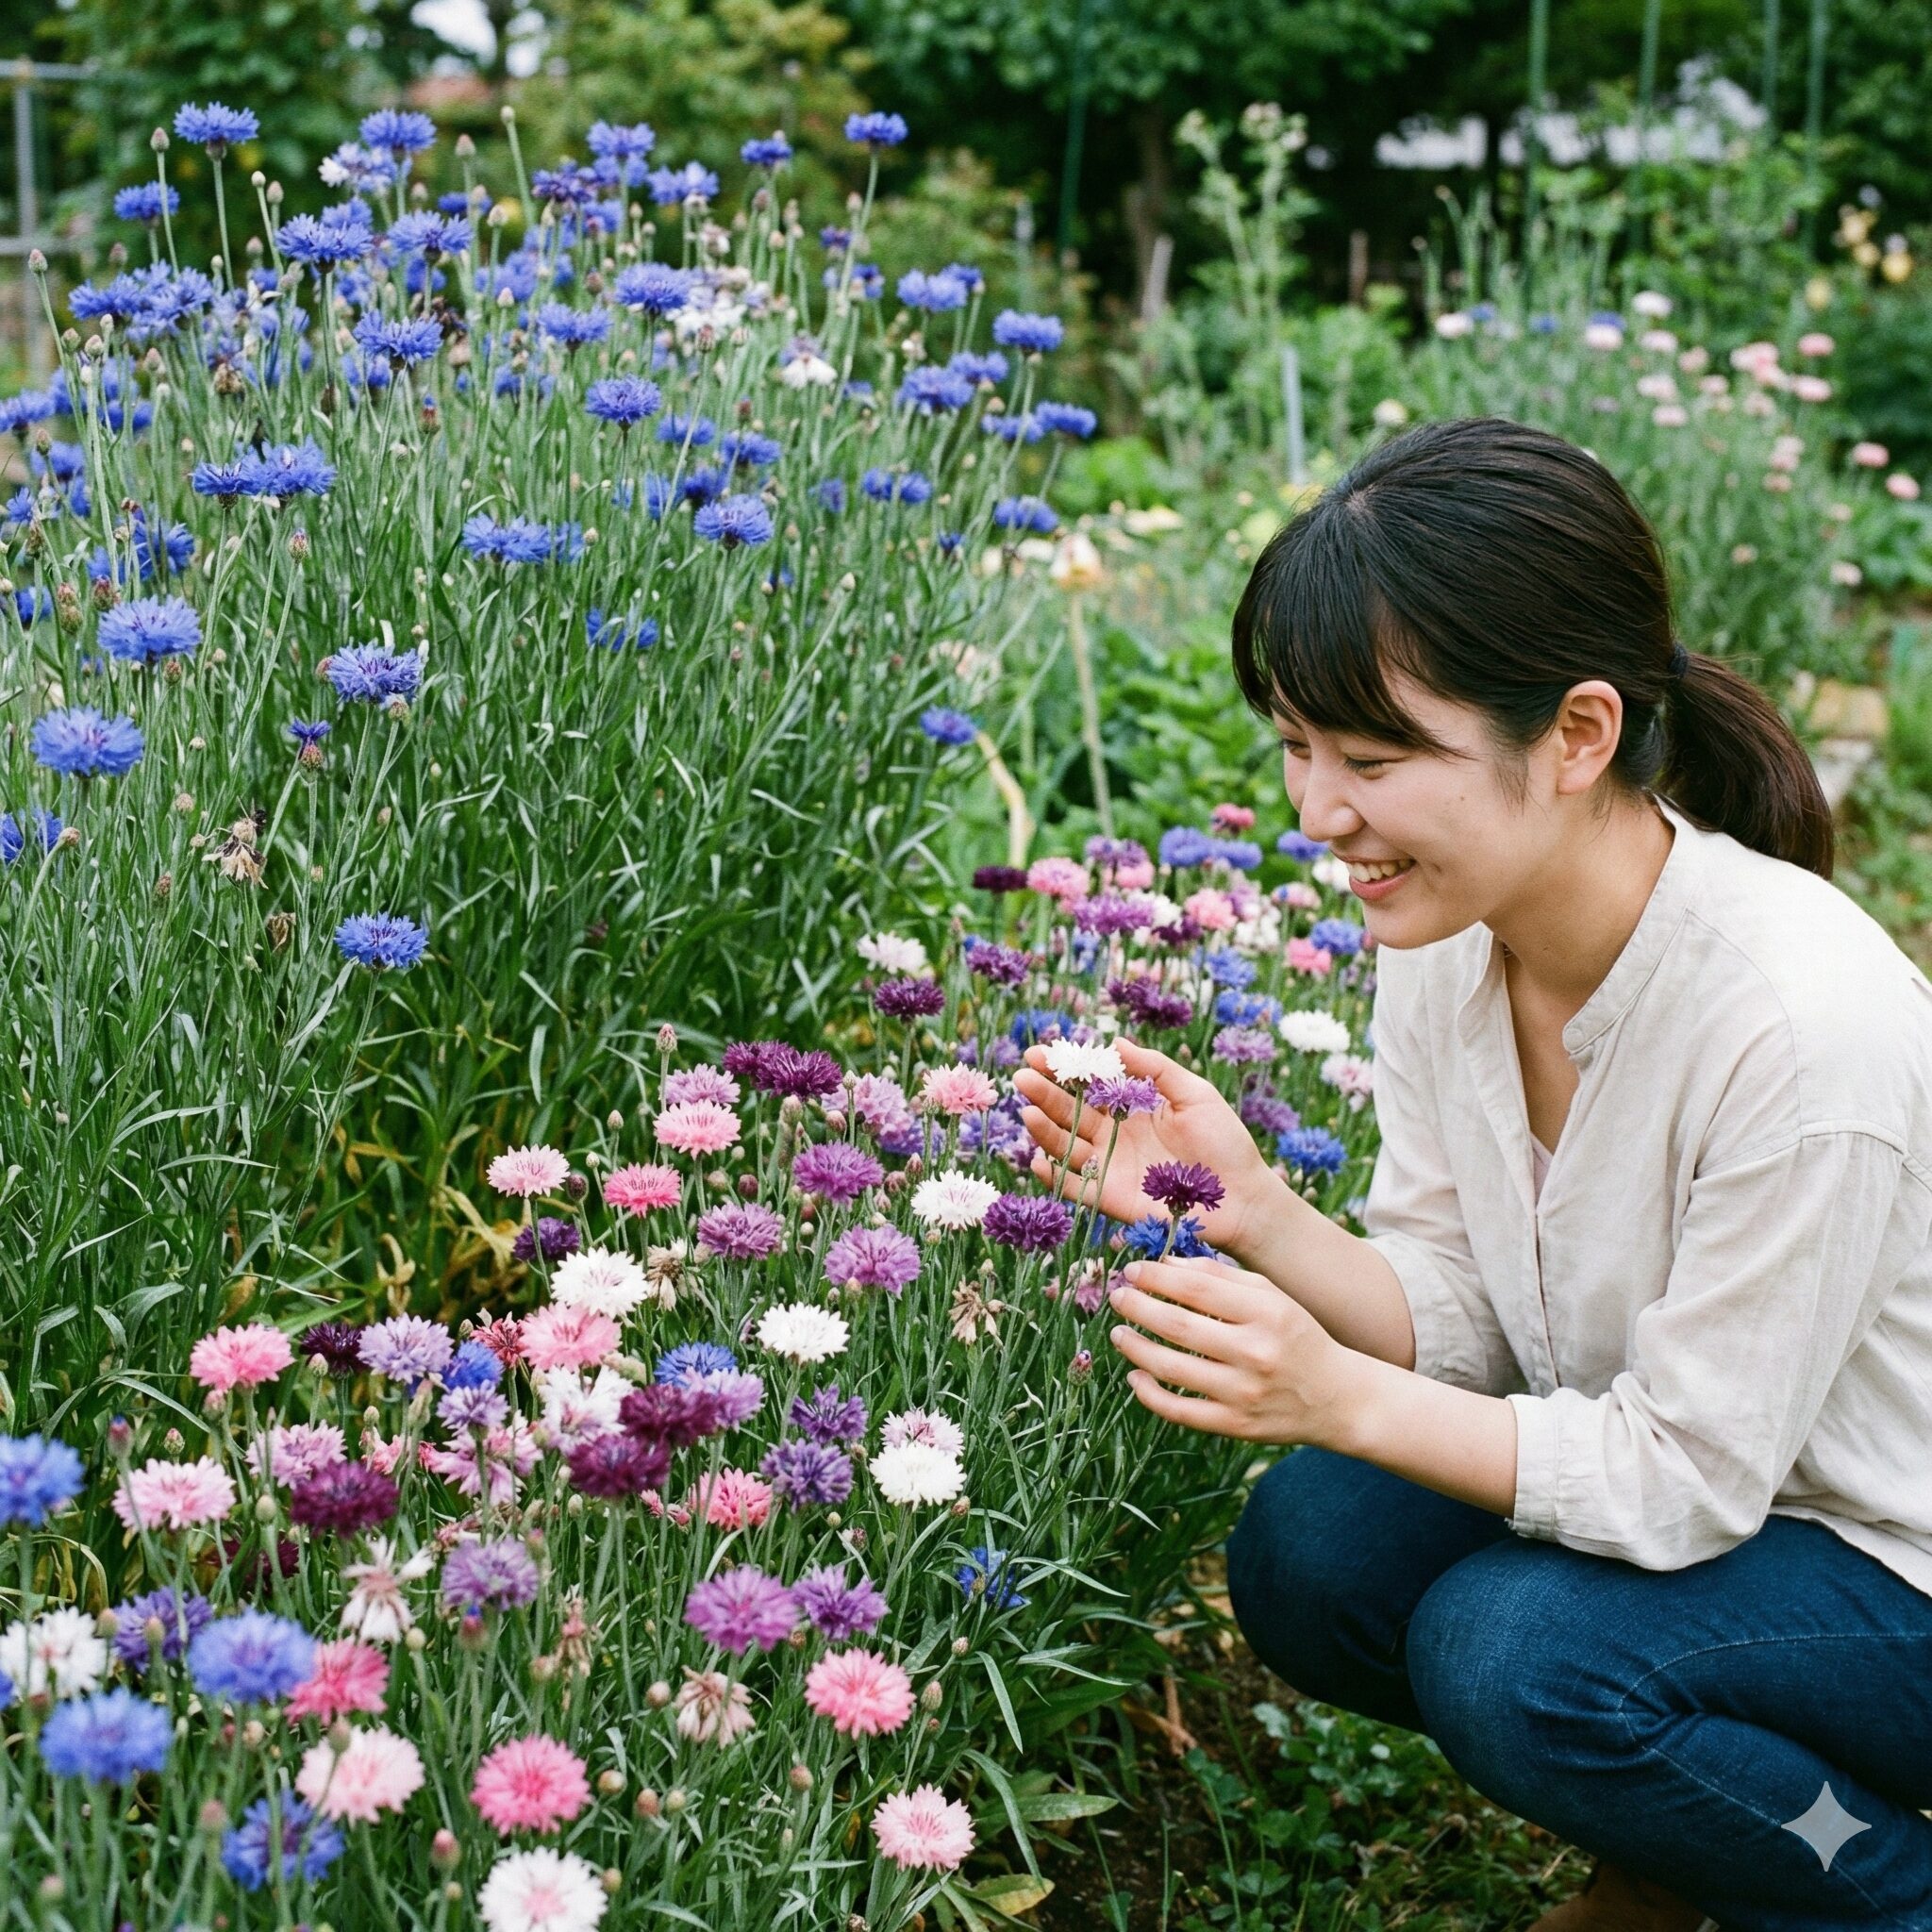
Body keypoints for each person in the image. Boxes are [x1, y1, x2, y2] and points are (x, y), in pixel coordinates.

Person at [1015, 417, 1932, 1931]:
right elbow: (1478, 1323)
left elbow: (1687, 1480)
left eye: (1375, 760)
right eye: (1298, 746)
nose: (1319, 815)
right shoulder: (1456, 937)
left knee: (1517, 1658)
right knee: (1316, 1553)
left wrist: (1339, 1395)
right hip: (1736, 1513)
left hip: (1888, 1558)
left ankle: (1873, 1887)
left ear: (1578, 735)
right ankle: (1690, 1845)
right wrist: (1255, 1209)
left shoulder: (1798, 1026)